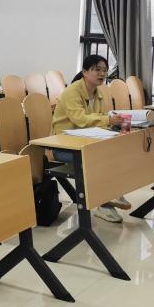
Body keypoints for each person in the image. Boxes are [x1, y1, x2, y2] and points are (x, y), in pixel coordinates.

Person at [51, 55, 127, 223]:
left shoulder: (98, 93)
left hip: (85, 141)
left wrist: (112, 122)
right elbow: (80, 119)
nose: (102, 74)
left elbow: (96, 118)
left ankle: (111, 195)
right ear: (85, 72)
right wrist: (108, 120)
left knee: (116, 152)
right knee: (99, 159)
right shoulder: (72, 92)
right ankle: (104, 203)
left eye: (104, 70)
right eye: (97, 69)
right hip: (64, 146)